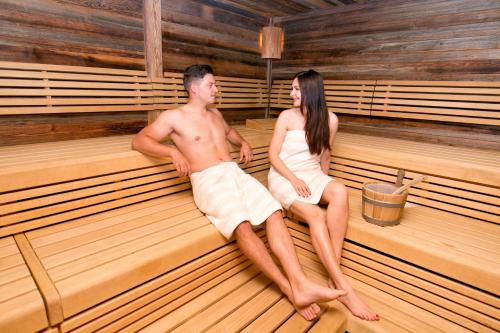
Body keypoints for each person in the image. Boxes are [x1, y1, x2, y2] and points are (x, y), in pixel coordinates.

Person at [131, 65, 345, 321]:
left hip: (234, 172)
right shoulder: (173, 117)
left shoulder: (215, 115)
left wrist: (242, 142)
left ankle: (301, 282)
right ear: (194, 88)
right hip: (208, 179)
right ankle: (288, 287)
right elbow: (140, 140)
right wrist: (172, 152)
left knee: (274, 212)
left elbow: (230, 133)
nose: (216, 89)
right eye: (211, 85)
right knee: (242, 225)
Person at [268, 69, 379, 321]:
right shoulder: (286, 117)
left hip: (312, 174)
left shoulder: (330, 120)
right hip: (284, 176)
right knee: (316, 216)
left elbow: (325, 156)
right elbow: (273, 156)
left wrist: (323, 186)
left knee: (340, 190)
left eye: (296, 89)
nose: (291, 93)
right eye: (292, 88)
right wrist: (294, 180)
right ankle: (345, 289)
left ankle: (333, 272)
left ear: (310, 91)